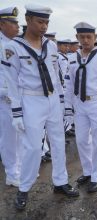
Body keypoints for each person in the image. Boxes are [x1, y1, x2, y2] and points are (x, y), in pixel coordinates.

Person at [3, 4, 79, 210]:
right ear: (28, 20)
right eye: (40, 22)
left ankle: (60, 181)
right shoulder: (13, 47)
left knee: (58, 141)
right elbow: (11, 82)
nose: (44, 26)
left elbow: (55, 76)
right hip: (31, 100)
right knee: (32, 147)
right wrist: (17, 113)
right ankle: (24, 188)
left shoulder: (51, 46)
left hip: (52, 99)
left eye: (47, 22)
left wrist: (63, 103)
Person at [64, 22, 97, 193]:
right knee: (81, 140)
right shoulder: (72, 58)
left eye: (89, 37)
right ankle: (87, 171)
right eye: (82, 37)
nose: (85, 40)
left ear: (95, 37)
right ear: (77, 38)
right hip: (80, 104)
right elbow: (69, 84)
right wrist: (68, 108)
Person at [0, 6, 21, 187]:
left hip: (19, 97)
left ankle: (19, 168)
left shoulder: (17, 45)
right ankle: (11, 173)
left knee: (20, 135)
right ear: (2, 24)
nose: (18, 26)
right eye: (13, 23)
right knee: (8, 137)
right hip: (5, 99)